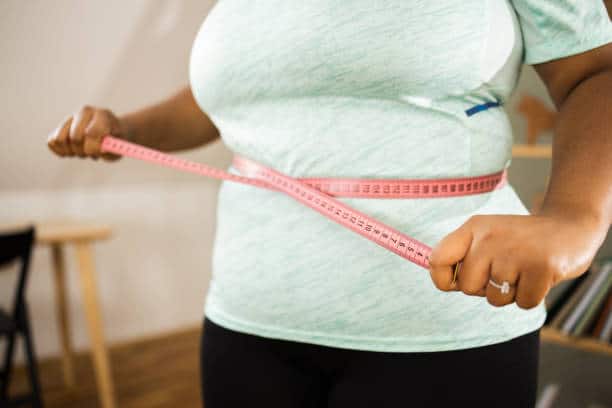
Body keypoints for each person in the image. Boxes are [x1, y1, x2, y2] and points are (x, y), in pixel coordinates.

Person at [47, 1, 612, 407]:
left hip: (439, 322)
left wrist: (573, 217)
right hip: (246, 318)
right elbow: (224, 96)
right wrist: (127, 129)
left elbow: (592, 70)